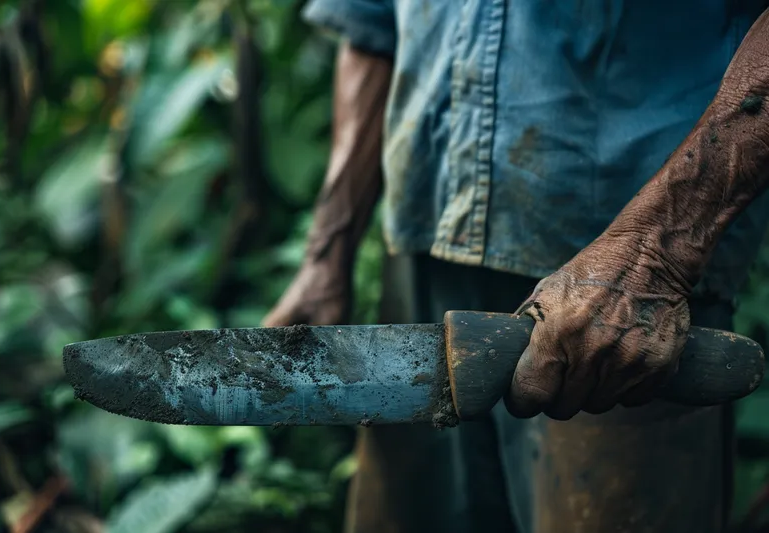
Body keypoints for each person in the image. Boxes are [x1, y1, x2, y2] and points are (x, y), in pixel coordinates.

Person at [264, 2, 769, 532]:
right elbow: (371, 20)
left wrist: (653, 253)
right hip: (418, 269)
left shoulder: (639, 280)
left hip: (614, 314)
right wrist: (327, 255)